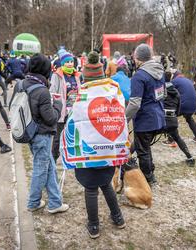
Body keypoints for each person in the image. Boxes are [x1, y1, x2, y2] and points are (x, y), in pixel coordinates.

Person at [74, 51, 125, 239]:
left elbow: (74, 123)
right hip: (108, 149)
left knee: (90, 189)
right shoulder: (113, 92)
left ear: (85, 76)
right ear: (102, 74)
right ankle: (118, 218)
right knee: (105, 183)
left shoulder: (80, 96)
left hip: (88, 150)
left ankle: (94, 226)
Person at [10, 53, 69, 214]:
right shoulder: (42, 90)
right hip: (41, 135)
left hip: (28, 131)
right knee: (41, 169)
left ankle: (55, 202)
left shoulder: (21, 84)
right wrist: (57, 104)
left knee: (48, 166)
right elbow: (51, 119)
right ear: (45, 69)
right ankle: (33, 202)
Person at [125, 43, 166, 185]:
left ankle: (148, 179)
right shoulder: (160, 71)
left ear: (138, 59)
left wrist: (124, 119)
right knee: (145, 148)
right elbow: (162, 94)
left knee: (143, 152)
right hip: (159, 117)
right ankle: (151, 175)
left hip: (145, 120)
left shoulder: (139, 76)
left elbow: (135, 103)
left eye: (135, 57)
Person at [49, 52, 81, 162]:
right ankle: (53, 158)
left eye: (71, 61)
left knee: (73, 134)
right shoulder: (57, 75)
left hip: (74, 110)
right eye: (67, 62)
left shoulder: (76, 75)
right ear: (63, 63)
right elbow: (52, 92)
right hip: (62, 110)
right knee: (58, 136)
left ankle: (71, 157)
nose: (69, 64)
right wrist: (56, 106)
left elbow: (80, 91)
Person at [164, 71, 195, 165]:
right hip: (172, 118)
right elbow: (178, 107)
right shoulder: (176, 91)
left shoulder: (159, 90)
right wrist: (175, 115)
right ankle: (190, 157)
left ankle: (128, 157)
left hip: (160, 119)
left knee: (143, 138)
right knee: (177, 138)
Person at [171, 70, 196, 145]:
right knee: (189, 119)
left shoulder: (174, 81)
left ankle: (171, 140)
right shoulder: (188, 80)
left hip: (183, 104)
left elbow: (168, 92)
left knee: (171, 117)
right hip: (193, 105)